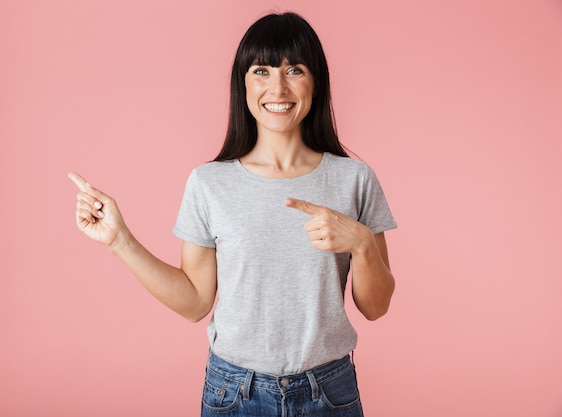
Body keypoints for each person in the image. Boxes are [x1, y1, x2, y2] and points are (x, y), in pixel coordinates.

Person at [69, 12, 396, 417]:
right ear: (243, 84)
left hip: (328, 391)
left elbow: (376, 307)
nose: (278, 86)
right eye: (261, 70)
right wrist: (120, 241)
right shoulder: (210, 183)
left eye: (295, 69)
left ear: (316, 82)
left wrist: (363, 244)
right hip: (235, 394)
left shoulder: (355, 179)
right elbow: (194, 303)